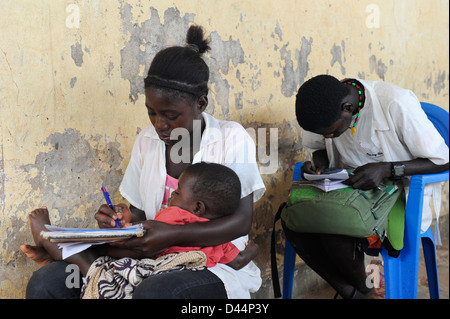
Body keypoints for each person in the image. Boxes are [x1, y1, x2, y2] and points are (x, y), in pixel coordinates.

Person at [23, 25, 265, 299]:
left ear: (201, 103)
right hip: (147, 257)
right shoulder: (147, 140)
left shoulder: (231, 138)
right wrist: (120, 220)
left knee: (156, 292)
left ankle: (72, 255)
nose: (159, 124)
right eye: (152, 113)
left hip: (209, 263)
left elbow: (241, 223)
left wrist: (172, 235)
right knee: (47, 282)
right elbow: (138, 215)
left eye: (171, 115)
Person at [286, 74, 449, 298]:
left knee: (332, 227)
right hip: (350, 189)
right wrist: (318, 167)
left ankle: (361, 289)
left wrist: (387, 169)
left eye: (331, 132)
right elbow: (320, 149)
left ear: (348, 108)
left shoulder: (395, 104)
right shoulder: (326, 107)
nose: (328, 136)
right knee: (294, 220)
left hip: (399, 192)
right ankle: (353, 290)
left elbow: (443, 160)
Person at [24, 162, 259, 298]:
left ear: (197, 207)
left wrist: (122, 231)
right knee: (56, 277)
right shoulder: (217, 235)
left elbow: (140, 244)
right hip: (160, 264)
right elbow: (235, 260)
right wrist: (250, 251)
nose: (171, 197)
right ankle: (55, 249)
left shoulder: (173, 216)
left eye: (176, 193)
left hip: (148, 265)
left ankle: (53, 242)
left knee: (96, 267)